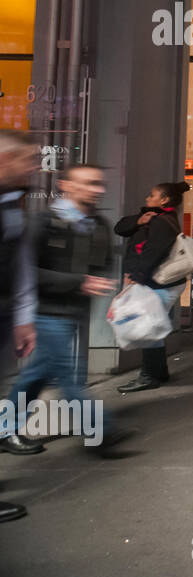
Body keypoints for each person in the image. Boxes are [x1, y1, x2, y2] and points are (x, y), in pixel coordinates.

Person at [0, 164, 121, 455]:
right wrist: (79, 282)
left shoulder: (99, 224)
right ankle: (99, 431)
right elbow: (26, 272)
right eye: (89, 183)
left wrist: (103, 284)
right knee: (67, 374)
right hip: (44, 311)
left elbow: (104, 262)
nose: (97, 189)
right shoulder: (43, 223)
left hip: (75, 311)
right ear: (66, 185)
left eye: (99, 184)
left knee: (37, 374)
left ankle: (4, 429)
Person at [114, 180, 190, 393]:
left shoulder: (162, 222)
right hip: (157, 283)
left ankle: (149, 376)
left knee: (148, 328)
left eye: (151, 195)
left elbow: (152, 253)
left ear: (164, 199)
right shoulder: (154, 219)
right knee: (152, 326)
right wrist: (139, 220)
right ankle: (158, 372)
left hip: (159, 283)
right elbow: (120, 228)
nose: (148, 198)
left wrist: (136, 277)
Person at [0, 130, 38, 522]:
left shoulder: (13, 205)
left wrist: (24, 316)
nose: (33, 168)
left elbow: (20, 264)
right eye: (26, 160)